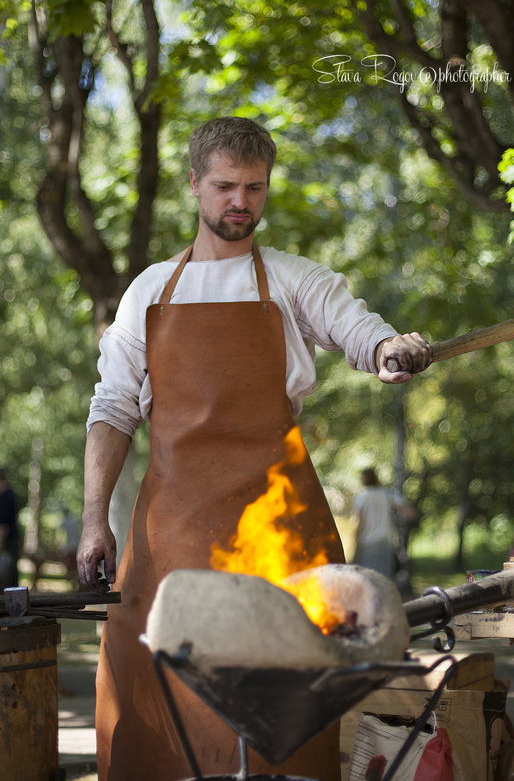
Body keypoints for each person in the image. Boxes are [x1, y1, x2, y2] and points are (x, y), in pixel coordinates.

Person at [76, 116, 432, 781]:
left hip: (282, 541)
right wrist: (96, 517)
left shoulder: (297, 281)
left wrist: (389, 349)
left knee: (286, 728)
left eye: (255, 187)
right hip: (172, 543)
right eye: (225, 186)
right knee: (155, 713)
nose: (240, 201)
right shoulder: (149, 291)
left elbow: (361, 333)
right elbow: (112, 411)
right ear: (194, 185)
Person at [351, 467, 416, 581]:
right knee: (383, 579)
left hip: (368, 543)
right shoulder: (388, 494)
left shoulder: (361, 497)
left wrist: (355, 545)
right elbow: (410, 513)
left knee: (367, 579)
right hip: (385, 542)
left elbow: (359, 523)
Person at [0, 467, 20, 589]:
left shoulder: (6, 495)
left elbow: (4, 523)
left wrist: (0, 542)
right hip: (10, 539)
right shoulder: (8, 494)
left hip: (8, 540)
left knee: (8, 574)